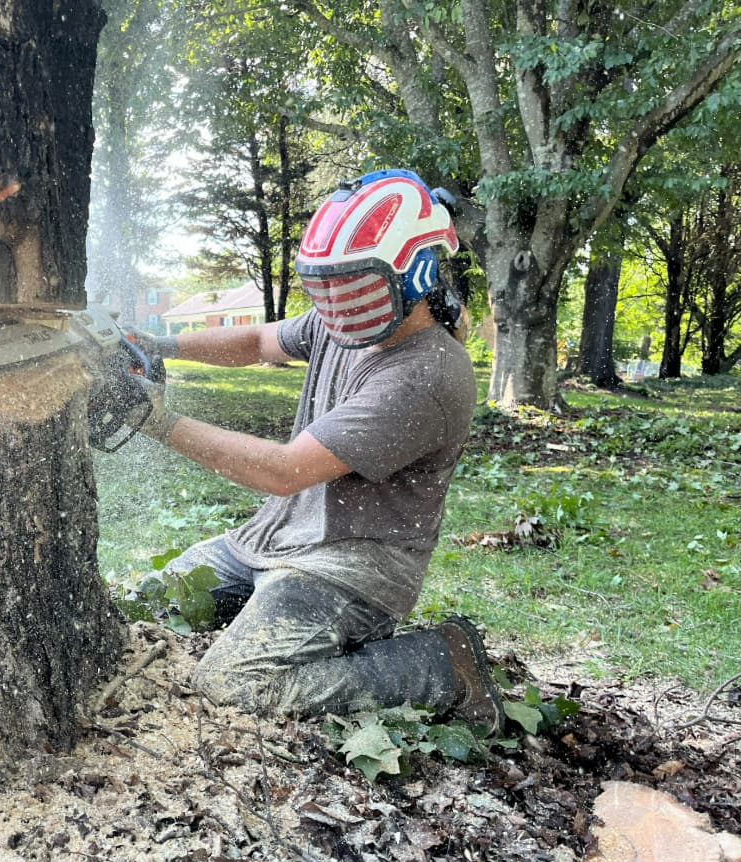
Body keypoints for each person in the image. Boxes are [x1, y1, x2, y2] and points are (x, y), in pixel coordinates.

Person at [129, 169, 503, 735]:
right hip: (270, 540)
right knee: (142, 603)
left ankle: (440, 666)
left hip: (349, 567)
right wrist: (156, 344)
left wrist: (149, 420)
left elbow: (284, 472)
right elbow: (257, 341)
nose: (333, 306)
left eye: (350, 289)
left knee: (232, 682)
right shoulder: (351, 317)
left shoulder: (426, 374)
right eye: (323, 288)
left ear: (416, 275)